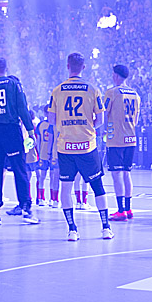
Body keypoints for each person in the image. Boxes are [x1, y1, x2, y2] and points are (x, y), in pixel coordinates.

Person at [48, 52, 114, 241]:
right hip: (87, 146)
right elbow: (101, 119)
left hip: (65, 147)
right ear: (83, 67)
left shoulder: (57, 90)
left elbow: (51, 119)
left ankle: (72, 230)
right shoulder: (92, 89)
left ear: (68, 66)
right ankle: (106, 228)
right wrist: (87, 127)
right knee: (97, 187)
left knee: (66, 188)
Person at [0, 59, 38, 225]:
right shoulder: (14, 85)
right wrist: (30, 131)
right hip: (11, 131)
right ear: (6, 68)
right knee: (19, 170)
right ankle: (26, 210)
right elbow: (23, 109)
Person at [104, 64, 141, 221]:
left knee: (116, 174)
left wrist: (104, 131)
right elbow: (136, 119)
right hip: (131, 138)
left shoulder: (112, 92)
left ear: (116, 75)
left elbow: (104, 113)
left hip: (116, 138)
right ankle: (128, 208)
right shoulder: (135, 94)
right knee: (127, 173)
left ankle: (120, 211)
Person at [34, 104, 59, 207]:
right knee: (43, 176)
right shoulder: (42, 125)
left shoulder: (55, 124)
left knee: (52, 176)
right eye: (48, 113)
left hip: (52, 154)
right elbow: (38, 140)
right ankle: (42, 198)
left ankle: (52, 199)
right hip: (45, 154)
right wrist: (39, 153)